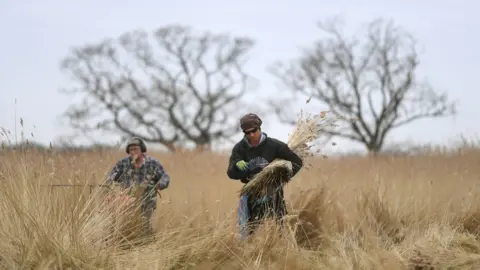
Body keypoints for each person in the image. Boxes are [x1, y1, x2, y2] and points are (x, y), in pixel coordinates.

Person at [226, 113, 303, 239]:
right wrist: (236, 167)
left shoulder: (275, 146)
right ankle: (251, 253)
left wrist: (282, 177)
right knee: (251, 229)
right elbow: (231, 174)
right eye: (247, 132)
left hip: (274, 192)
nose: (251, 135)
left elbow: (297, 162)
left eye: (254, 131)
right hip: (252, 193)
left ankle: (281, 250)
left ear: (260, 128)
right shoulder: (240, 148)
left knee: (280, 226)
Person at [106, 137, 170, 234]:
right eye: (131, 149)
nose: (133, 151)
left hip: (147, 201)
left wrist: (159, 185)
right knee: (126, 226)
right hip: (127, 200)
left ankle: (148, 245)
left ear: (142, 149)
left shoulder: (152, 163)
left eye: (136, 149)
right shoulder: (123, 163)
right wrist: (110, 182)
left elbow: (165, 177)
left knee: (145, 225)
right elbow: (111, 175)